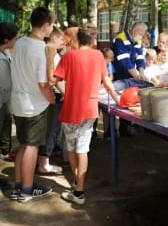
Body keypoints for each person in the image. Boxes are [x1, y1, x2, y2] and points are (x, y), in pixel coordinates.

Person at [49, 25, 119, 205]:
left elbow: (52, 80)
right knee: (83, 149)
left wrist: (50, 58)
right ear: (94, 40)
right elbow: (107, 82)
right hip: (90, 110)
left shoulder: (69, 57)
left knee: (72, 148)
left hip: (71, 109)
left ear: (78, 39)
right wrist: (118, 100)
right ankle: (78, 187)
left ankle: (78, 188)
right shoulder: (98, 56)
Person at [10, 7, 56, 202]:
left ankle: (19, 185)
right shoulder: (40, 49)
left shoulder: (20, 42)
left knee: (24, 144)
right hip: (34, 105)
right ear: (45, 26)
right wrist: (52, 99)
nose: (52, 29)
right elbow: (44, 84)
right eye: (52, 25)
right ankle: (27, 190)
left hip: (18, 102)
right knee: (32, 146)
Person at [38, 26, 65, 174]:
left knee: (50, 129)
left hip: (48, 95)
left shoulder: (47, 51)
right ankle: (44, 162)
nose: (63, 42)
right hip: (53, 96)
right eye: (61, 39)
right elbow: (55, 79)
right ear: (54, 38)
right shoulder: (52, 55)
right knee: (52, 129)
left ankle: (42, 160)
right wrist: (66, 92)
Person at [112, 22, 147, 136]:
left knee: (131, 101)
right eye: (140, 34)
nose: (141, 36)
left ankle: (127, 127)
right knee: (118, 102)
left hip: (131, 75)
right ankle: (114, 130)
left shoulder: (138, 40)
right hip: (119, 76)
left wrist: (141, 72)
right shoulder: (120, 39)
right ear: (133, 31)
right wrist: (136, 76)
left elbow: (140, 57)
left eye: (142, 34)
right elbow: (124, 61)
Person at [0, 22, 19, 187]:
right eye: (16, 38)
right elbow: (6, 83)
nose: (17, 41)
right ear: (7, 39)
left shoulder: (4, 52)